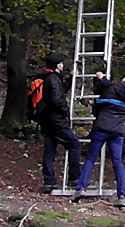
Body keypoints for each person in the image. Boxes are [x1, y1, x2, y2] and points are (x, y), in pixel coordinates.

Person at [71, 71, 125, 208]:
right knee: (117, 162)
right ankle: (122, 195)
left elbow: (98, 105)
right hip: (117, 131)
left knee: (91, 158)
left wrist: (101, 79)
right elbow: (110, 87)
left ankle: (80, 188)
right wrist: (103, 80)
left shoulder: (111, 88)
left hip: (101, 128)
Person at [38, 53, 81, 192]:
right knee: (74, 144)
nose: (63, 65)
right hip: (56, 121)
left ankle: (49, 181)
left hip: (47, 121)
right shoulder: (53, 79)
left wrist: (71, 78)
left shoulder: (50, 78)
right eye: (61, 63)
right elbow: (57, 99)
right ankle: (74, 178)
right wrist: (65, 112)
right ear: (56, 65)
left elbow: (61, 90)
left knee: (50, 151)